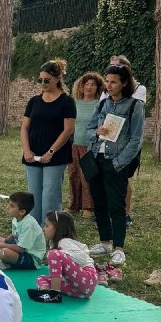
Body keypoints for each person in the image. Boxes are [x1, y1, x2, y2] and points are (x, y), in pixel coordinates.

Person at [85, 64, 144, 266]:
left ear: (124, 83)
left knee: (116, 205)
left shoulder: (135, 106)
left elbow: (136, 140)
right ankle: (105, 242)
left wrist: (119, 162)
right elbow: (89, 129)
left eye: (114, 82)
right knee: (99, 202)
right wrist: (96, 133)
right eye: (107, 81)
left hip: (116, 161)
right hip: (96, 158)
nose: (108, 86)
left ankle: (119, 248)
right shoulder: (103, 104)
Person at [21, 59, 76, 225]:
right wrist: (27, 150)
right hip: (33, 153)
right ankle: (34, 230)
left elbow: (68, 129)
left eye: (47, 80)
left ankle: (51, 230)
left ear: (57, 79)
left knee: (50, 195)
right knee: (33, 195)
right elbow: (24, 127)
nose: (43, 84)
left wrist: (51, 152)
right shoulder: (34, 101)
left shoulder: (67, 101)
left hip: (56, 155)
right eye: (40, 80)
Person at [107, 55, 146, 227]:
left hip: (127, 140)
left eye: (116, 66)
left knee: (123, 178)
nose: (113, 68)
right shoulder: (108, 89)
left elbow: (133, 111)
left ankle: (126, 212)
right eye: (111, 66)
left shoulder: (139, 89)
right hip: (109, 139)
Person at [28, 211, 99, 303]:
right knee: (41, 278)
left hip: (87, 280)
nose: (43, 229)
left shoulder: (65, 242)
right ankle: (45, 293)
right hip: (77, 289)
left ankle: (54, 294)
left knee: (53, 254)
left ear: (58, 228)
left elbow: (82, 259)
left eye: (47, 226)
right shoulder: (56, 243)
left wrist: (62, 255)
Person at [68, 72, 105, 218]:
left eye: (93, 84)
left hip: (90, 146)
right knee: (73, 175)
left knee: (87, 176)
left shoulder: (100, 105)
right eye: (86, 84)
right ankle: (74, 205)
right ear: (81, 86)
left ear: (98, 87)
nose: (89, 87)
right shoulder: (74, 103)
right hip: (73, 145)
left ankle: (88, 207)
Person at [0, 191, 46, 271]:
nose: (7, 207)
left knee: (4, 252)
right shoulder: (16, 219)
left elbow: (21, 249)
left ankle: (1, 257)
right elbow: (14, 235)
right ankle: (1, 260)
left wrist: (0, 245)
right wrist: (5, 241)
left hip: (31, 258)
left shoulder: (29, 225)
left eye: (12, 206)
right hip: (18, 246)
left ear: (22, 212)